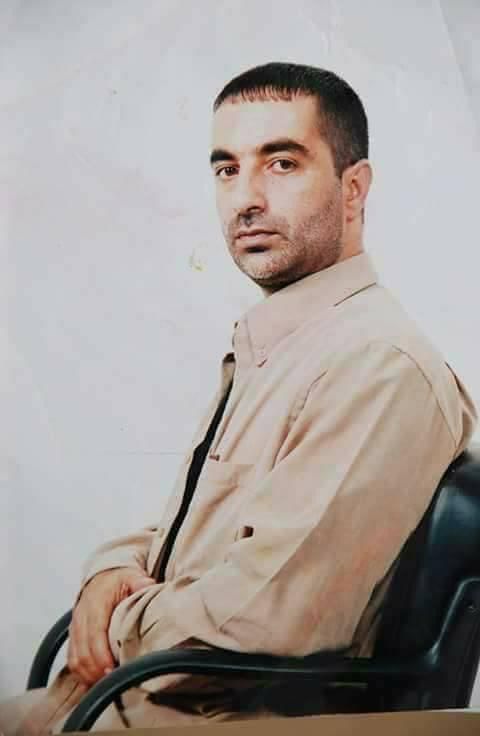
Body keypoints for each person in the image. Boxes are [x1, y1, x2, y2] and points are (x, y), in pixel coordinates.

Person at [0, 61, 477, 734]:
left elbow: (264, 618)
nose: (245, 198)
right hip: (121, 704)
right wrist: (109, 571)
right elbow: (189, 539)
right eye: (227, 169)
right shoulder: (283, 347)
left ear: (353, 188)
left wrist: (114, 622)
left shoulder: (377, 367)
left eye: (281, 164)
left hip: (202, 721)